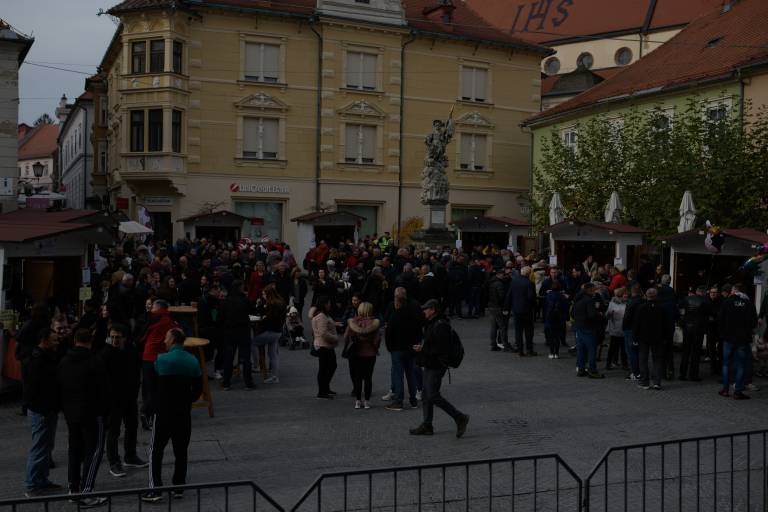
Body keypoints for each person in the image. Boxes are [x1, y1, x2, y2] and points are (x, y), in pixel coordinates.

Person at [142, 329, 202, 502]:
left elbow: (152, 386)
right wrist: (187, 400)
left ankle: (156, 489)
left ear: (173, 339)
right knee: (181, 451)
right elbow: (198, 389)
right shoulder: (192, 361)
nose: (164, 341)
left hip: (163, 412)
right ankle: (178, 486)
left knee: (156, 450)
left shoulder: (161, 359)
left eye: (166, 337)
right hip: (183, 413)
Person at [58, 329, 109, 507]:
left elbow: (60, 386)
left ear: (75, 340)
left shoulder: (64, 361)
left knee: (74, 449)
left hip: (71, 413)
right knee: (94, 451)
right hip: (92, 413)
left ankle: (73, 489)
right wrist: (105, 411)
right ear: (90, 341)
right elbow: (104, 389)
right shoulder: (95, 361)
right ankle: (86, 492)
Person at [409, 299, 469, 438]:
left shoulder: (441, 325)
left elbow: (442, 349)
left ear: (433, 310)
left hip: (436, 366)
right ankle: (427, 425)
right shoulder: (432, 323)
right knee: (426, 395)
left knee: (432, 395)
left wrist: (423, 349)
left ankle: (460, 417)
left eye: (426, 309)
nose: (424, 311)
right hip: (430, 363)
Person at [102, 323, 147, 478]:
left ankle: (130, 456)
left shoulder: (130, 351)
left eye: (118, 337)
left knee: (132, 426)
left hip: (129, 397)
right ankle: (114, 462)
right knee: (113, 431)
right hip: (114, 400)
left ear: (125, 338)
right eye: (112, 337)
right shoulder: (106, 354)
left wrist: (135, 390)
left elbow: (136, 370)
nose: (115, 340)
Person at [23, 328, 61, 497]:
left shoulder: (45, 357)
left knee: (45, 447)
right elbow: (36, 389)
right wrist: (45, 409)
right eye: (54, 340)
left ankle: (41, 480)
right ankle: (32, 485)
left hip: (46, 409)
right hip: (42, 411)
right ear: (44, 341)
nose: (57, 342)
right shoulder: (37, 361)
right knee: (39, 448)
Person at [383, 287, 422, 411]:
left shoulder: (394, 316)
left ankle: (398, 401)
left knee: (398, 374)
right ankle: (413, 400)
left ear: (397, 301)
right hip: (410, 347)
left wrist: (390, 347)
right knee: (410, 374)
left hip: (397, 349)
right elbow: (418, 329)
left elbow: (388, 333)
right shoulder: (413, 313)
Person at [718, 284, 758, 400]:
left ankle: (725, 390)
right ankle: (738, 392)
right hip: (743, 339)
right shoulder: (749, 304)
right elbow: (754, 323)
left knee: (726, 363)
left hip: (728, 338)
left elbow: (720, 320)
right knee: (741, 365)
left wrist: (723, 333)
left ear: (733, 291)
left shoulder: (727, 302)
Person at [140, 300, 177, 424]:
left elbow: (142, 337)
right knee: (157, 388)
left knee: (149, 387)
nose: (151, 309)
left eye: (153, 307)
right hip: (161, 357)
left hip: (147, 356)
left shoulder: (152, 318)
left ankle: (148, 412)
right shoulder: (169, 321)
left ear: (158, 308)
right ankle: (149, 412)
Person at [344, 302, 381, 409]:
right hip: (370, 354)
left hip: (356, 353)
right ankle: (367, 401)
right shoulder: (374, 323)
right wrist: (374, 347)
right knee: (368, 378)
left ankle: (358, 401)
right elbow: (377, 340)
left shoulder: (353, 322)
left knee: (358, 377)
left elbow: (346, 337)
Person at [220, 280, 254, 390]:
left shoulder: (226, 300)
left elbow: (221, 316)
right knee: (246, 357)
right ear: (240, 288)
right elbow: (252, 310)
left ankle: (226, 382)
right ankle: (248, 382)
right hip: (243, 331)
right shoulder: (245, 300)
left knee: (229, 357)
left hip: (230, 331)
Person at [633, 288, 668, 390]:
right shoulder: (662, 308)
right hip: (658, 337)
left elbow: (636, 324)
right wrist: (666, 337)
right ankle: (657, 382)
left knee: (643, 359)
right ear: (656, 296)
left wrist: (635, 338)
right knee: (657, 359)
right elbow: (666, 324)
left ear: (646, 295)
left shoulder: (641, 308)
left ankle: (645, 382)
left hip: (643, 337)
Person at [253, 286, 287, 384]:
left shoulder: (271, 304)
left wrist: (262, 314)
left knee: (252, 343)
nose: (263, 296)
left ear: (268, 294)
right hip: (278, 332)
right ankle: (275, 376)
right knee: (273, 354)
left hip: (271, 331)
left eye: (264, 294)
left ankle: (256, 365)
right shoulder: (281, 302)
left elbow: (268, 319)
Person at [679, 286, 711, 381]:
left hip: (687, 327)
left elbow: (680, 309)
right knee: (696, 352)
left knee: (686, 351)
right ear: (704, 293)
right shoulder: (705, 301)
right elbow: (709, 314)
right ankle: (693, 375)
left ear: (697, 291)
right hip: (698, 328)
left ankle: (682, 374)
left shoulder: (686, 299)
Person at [572, 283, 604, 378]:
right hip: (588, 328)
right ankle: (592, 370)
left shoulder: (577, 299)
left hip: (579, 327)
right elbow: (592, 315)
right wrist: (599, 315)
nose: (595, 292)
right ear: (589, 290)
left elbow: (573, 313)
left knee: (581, 350)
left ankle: (581, 369)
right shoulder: (589, 300)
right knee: (591, 350)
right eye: (594, 290)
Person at [504, 267, 537, 357]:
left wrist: (506, 308)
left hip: (516, 309)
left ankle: (520, 350)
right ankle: (529, 350)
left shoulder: (514, 281)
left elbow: (509, 295)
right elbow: (531, 297)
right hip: (527, 310)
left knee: (518, 331)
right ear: (529, 274)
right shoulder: (529, 283)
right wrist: (534, 306)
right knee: (528, 331)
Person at [311, 296, 339, 399]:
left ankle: (325, 388)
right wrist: (335, 338)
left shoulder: (323, 315)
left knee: (329, 367)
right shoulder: (321, 316)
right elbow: (323, 333)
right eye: (328, 303)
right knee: (325, 368)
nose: (330, 305)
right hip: (324, 346)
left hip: (326, 345)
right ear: (324, 304)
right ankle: (322, 391)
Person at [543, 280, 569, 359]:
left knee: (551, 336)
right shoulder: (562, 297)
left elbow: (545, 307)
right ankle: (556, 353)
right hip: (559, 318)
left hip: (550, 318)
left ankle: (551, 352)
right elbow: (565, 308)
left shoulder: (548, 296)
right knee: (557, 336)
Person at [486, 268, 510, 351]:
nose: (504, 276)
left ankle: (493, 344)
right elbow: (501, 297)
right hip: (498, 307)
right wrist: (504, 307)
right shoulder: (499, 284)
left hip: (491, 306)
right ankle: (505, 344)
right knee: (502, 326)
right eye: (503, 274)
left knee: (493, 326)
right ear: (499, 274)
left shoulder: (491, 282)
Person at [605, 287, 628, 370]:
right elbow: (607, 316)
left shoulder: (627, 303)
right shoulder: (612, 303)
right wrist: (610, 314)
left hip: (623, 328)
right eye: (624, 295)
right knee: (613, 347)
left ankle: (624, 364)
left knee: (623, 348)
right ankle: (609, 363)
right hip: (615, 328)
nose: (626, 296)